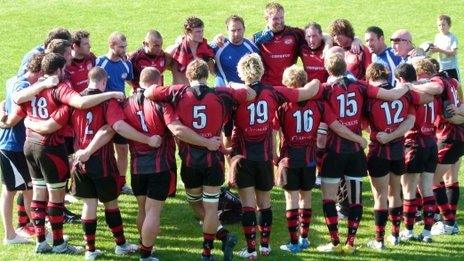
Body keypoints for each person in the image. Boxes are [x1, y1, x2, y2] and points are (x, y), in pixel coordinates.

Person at [2, 53, 124, 254]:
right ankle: (59, 244)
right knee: (56, 196)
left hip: (29, 146)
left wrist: (29, 123)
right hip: (50, 148)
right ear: (59, 70)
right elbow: (81, 103)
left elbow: (17, 106)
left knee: (39, 194)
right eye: (64, 68)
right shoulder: (60, 88)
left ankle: (40, 241)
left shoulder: (34, 89)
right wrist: (111, 94)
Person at [24, 67, 140, 259]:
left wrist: (30, 123)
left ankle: (90, 250)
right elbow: (112, 128)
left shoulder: (74, 102)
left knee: (89, 204)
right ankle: (121, 245)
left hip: (80, 163)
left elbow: (55, 124)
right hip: (101, 162)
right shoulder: (108, 102)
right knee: (111, 203)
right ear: (104, 82)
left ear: (88, 80)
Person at [145, 59, 252, 261]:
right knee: (211, 207)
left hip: (190, 160)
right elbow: (251, 93)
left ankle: (218, 239)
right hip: (213, 160)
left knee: (195, 203)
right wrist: (233, 85)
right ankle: (208, 250)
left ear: (188, 76)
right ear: (207, 75)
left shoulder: (177, 92)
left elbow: (149, 92)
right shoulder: (221, 93)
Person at [225, 53, 321, 259]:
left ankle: (251, 250)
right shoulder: (273, 92)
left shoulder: (235, 94)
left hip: (243, 157)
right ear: (261, 70)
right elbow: (307, 91)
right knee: (265, 203)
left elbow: (226, 126)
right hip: (265, 157)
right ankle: (266, 247)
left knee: (248, 205)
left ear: (242, 72)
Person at [316, 54, 412, 254]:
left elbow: (335, 125)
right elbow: (392, 96)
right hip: (356, 154)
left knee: (329, 199)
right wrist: (408, 86)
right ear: (346, 68)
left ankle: (335, 243)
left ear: (327, 69)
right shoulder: (361, 86)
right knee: (356, 199)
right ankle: (351, 243)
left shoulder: (325, 90)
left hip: (334, 152)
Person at [274, 65, 369, 254]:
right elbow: (337, 126)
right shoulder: (320, 104)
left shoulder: (282, 105)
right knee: (306, 198)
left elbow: (273, 131)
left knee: (291, 199)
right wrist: (359, 139)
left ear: (286, 83)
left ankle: (295, 244)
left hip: (289, 159)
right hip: (309, 160)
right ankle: (306, 238)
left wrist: (274, 155)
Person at [363, 63, 429, 249]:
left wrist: (381, 134)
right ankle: (395, 236)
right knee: (395, 193)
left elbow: (362, 124)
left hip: (378, 152)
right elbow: (410, 120)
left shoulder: (369, 96)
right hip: (398, 151)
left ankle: (379, 241)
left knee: (380, 196)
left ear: (370, 78)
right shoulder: (404, 94)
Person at [407, 59, 464, 235]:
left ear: (422, 72)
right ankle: (448, 220)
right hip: (458, 136)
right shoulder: (452, 81)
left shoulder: (437, 82)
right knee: (450, 179)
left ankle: (448, 223)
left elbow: (439, 91)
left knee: (430, 181)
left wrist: (411, 86)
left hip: (448, 137)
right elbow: (459, 104)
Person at [0, 54, 46, 245]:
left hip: (12, 144)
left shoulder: (13, 80)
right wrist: (6, 121)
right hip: (12, 145)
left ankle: (30, 231)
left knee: (21, 190)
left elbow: (3, 103)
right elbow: (15, 114)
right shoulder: (25, 87)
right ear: (41, 71)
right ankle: (14, 235)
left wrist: (3, 116)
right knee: (22, 190)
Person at [399, 60, 441, 243]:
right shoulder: (431, 90)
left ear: (401, 78)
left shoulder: (409, 92)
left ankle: (408, 232)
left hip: (414, 143)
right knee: (427, 189)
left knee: (408, 190)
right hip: (431, 143)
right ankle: (426, 233)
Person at [96, 32, 134, 195]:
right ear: (111, 45)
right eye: (121, 47)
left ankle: (121, 183)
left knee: (123, 149)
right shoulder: (99, 63)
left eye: (125, 47)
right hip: (102, 112)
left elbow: (131, 83)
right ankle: (99, 183)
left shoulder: (126, 64)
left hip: (120, 112)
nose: (124, 50)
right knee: (101, 150)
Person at [252, 2, 305, 86]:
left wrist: (327, 40)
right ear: (266, 19)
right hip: (267, 87)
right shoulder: (258, 39)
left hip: (290, 85)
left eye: (282, 17)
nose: (280, 21)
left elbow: (316, 35)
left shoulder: (295, 34)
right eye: (275, 19)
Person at [211, 15, 259, 86]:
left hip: (245, 93)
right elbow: (203, 54)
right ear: (227, 30)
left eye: (239, 30)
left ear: (244, 29)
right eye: (233, 30)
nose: (236, 34)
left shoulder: (252, 47)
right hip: (222, 92)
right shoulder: (218, 45)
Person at [170, 16, 215, 84]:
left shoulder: (205, 50)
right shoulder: (175, 51)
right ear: (188, 33)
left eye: (202, 31)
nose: (201, 34)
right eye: (197, 32)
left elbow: (214, 72)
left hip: (198, 92)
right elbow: (160, 67)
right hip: (179, 92)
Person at [432, 14, 460, 82]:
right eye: (439, 25)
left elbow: (454, 52)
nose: (441, 27)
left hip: (452, 68)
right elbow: (435, 50)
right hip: (441, 68)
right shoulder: (437, 37)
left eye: (443, 25)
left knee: (456, 87)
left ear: (449, 25)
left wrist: (439, 50)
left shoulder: (452, 37)